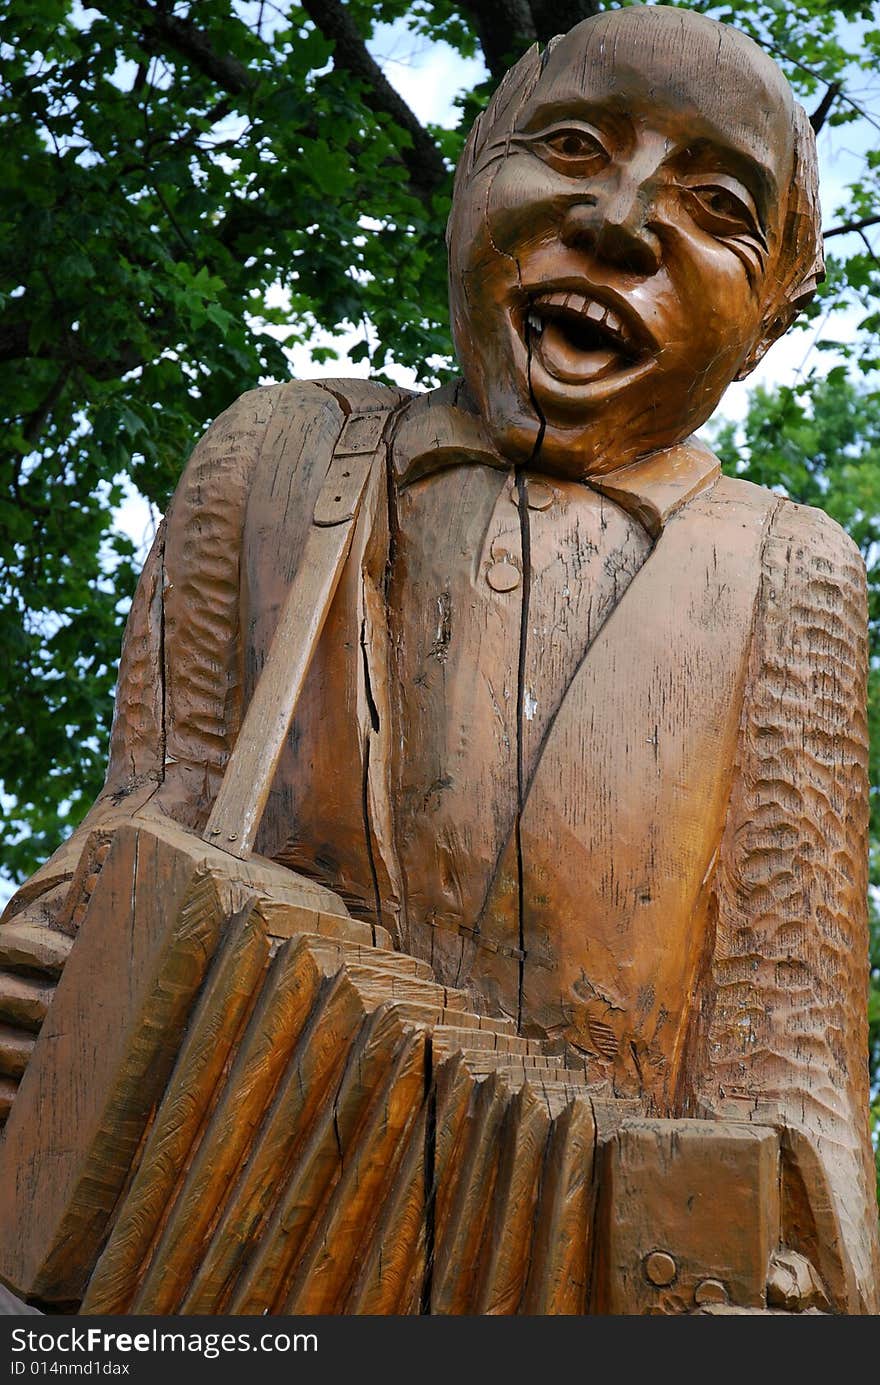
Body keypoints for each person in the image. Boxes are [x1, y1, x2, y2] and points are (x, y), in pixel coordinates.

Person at [1, 4, 877, 1311]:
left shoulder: (790, 569)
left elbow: (790, 1045)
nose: (622, 219)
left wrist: (809, 1269)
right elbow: (150, 811)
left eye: (716, 206)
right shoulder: (271, 453)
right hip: (187, 1266)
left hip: (590, 1289)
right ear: (471, 184)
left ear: (768, 315)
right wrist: (37, 960)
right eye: (571, 145)